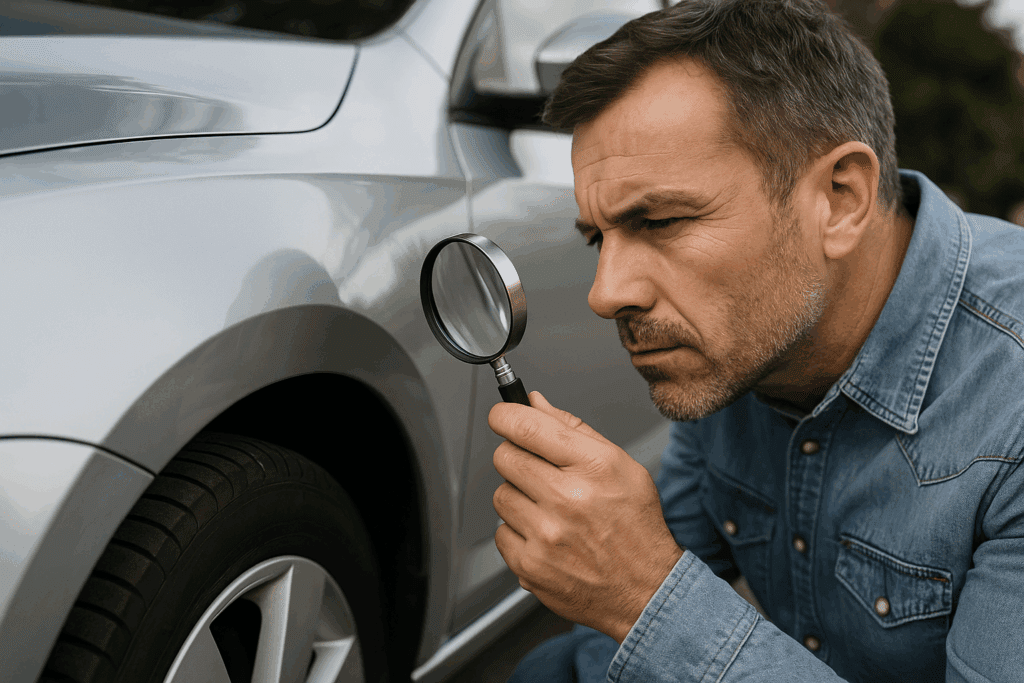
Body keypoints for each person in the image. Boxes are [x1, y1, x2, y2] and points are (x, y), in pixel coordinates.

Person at [486, 1, 1024, 681]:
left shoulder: (1011, 403)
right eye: (599, 236)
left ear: (840, 198)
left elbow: (652, 602)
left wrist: (647, 595)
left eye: (658, 220)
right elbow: (622, 636)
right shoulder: (741, 346)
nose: (606, 291)